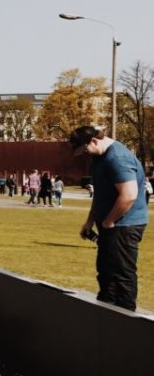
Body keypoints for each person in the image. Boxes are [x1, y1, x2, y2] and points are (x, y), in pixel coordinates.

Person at [71, 125, 147, 311]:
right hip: (110, 224)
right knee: (105, 273)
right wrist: (90, 221)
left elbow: (128, 195)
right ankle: (106, 312)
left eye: (85, 149)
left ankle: (126, 322)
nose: (85, 154)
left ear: (94, 141)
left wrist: (109, 221)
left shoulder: (117, 158)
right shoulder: (99, 157)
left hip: (124, 225)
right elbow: (101, 194)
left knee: (121, 275)